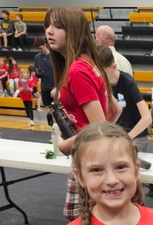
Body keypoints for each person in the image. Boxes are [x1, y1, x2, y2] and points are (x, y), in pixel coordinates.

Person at [45, 8, 118, 157]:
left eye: (58, 26)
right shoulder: (87, 62)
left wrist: (66, 144)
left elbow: (98, 128)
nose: (49, 31)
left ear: (74, 31)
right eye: (48, 25)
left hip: (90, 157)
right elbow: (115, 110)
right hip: (91, 154)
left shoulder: (77, 70)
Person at [98, 46, 152, 153]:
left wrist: (127, 137)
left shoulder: (127, 81)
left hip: (136, 137)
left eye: (104, 74)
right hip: (114, 138)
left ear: (114, 67)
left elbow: (147, 118)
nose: (100, 77)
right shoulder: (99, 83)